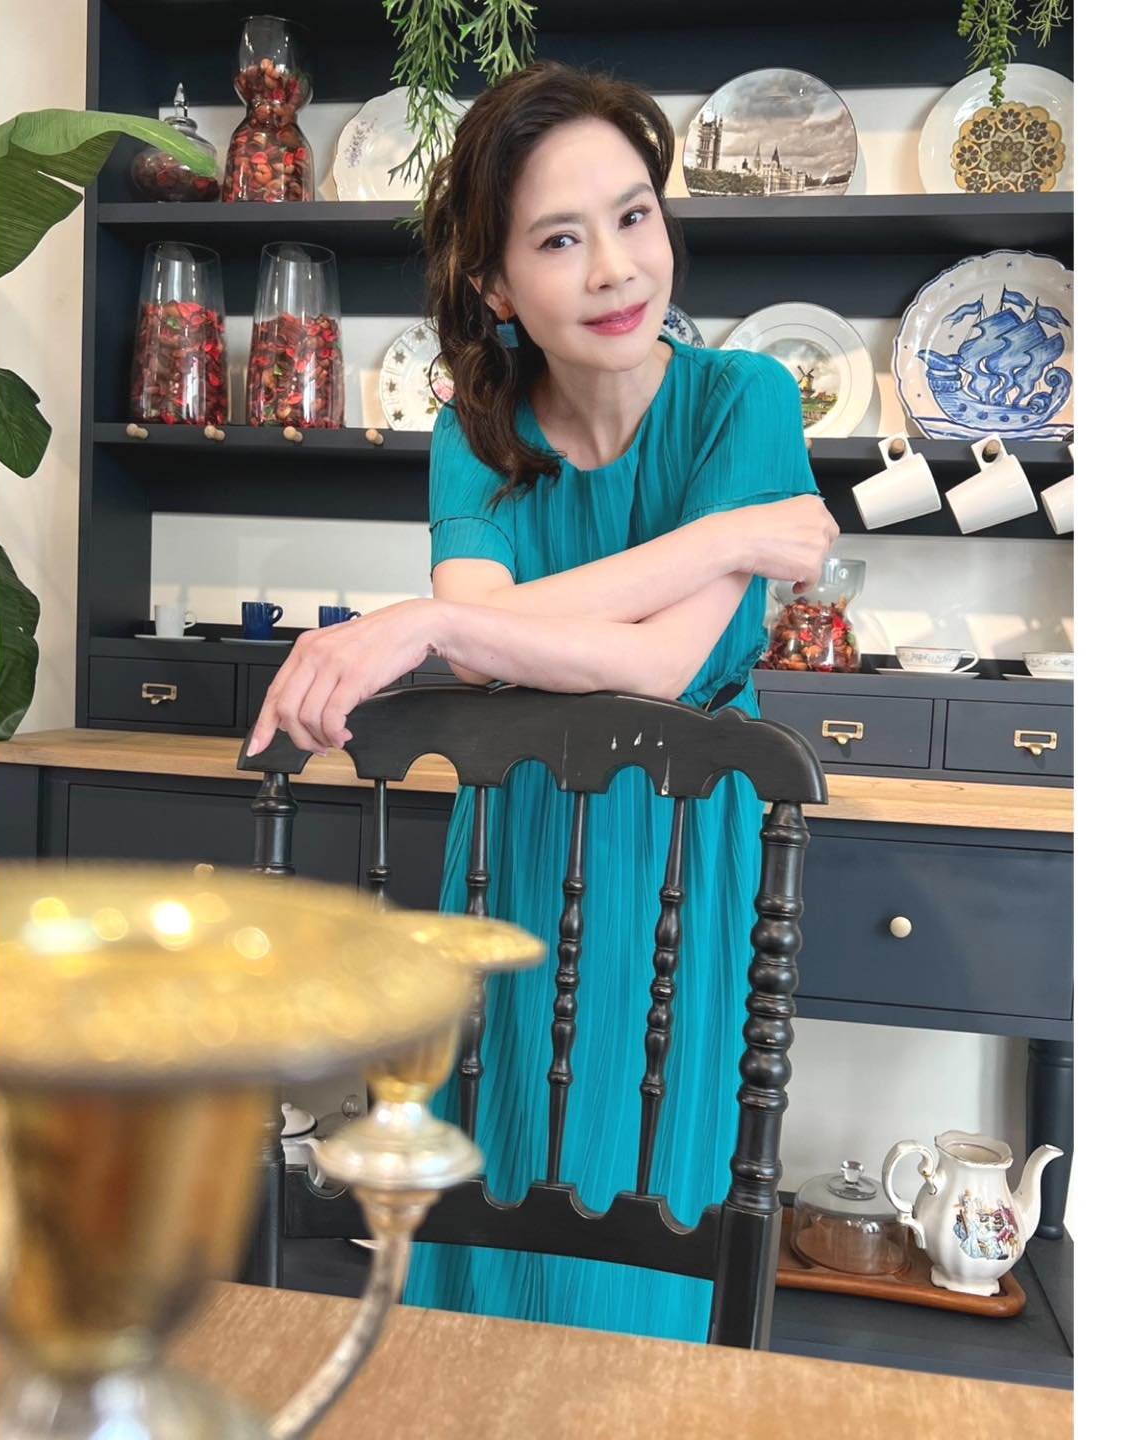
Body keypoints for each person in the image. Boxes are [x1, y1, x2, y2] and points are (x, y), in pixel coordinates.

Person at [247, 61, 838, 1342]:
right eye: (561, 240)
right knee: (495, 1181)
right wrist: (726, 538)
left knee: (655, 1189)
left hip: (683, 861)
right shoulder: (477, 429)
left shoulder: (745, 398)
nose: (617, 269)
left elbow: (659, 666)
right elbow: (483, 652)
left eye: (634, 217)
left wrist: (440, 622)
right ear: (496, 285)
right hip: (510, 857)